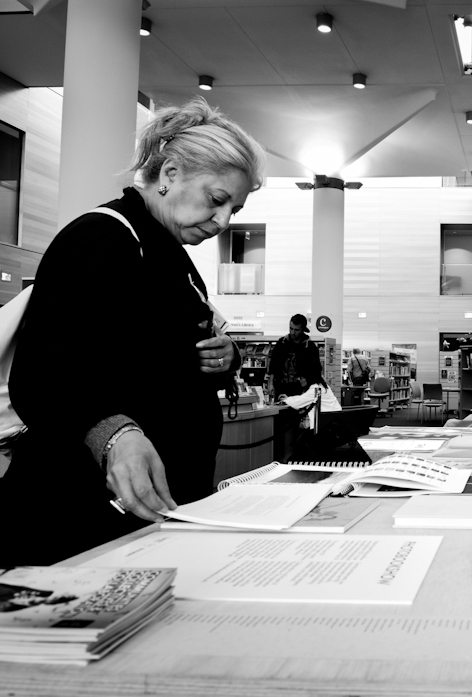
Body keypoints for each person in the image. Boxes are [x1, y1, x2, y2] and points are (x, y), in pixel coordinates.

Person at [0, 97, 265, 567]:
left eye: (235, 209)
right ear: (170, 175)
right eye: (217, 200)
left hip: (147, 506)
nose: (223, 221)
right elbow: (45, 373)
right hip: (80, 512)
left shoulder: (171, 256)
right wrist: (113, 433)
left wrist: (225, 359)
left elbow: (161, 358)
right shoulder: (102, 239)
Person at [269, 314, 325, 398]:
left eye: (296, 330)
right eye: (291, 328)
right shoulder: (282, 343)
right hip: (281, 388)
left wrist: (308, 380)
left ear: (303, 329)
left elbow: (316, 370)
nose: (292, 332)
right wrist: (270, 383)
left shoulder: (310, 347)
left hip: (300, 391)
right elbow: (273, 364)